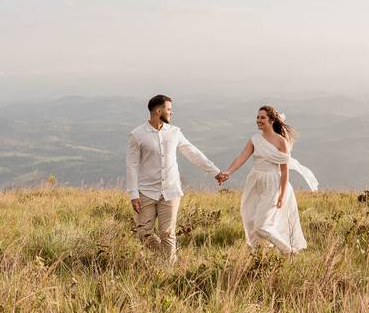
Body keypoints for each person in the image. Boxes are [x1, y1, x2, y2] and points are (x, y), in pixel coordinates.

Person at [126, 94, 225, 264]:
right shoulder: (137, 135)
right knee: (144, 233)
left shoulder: (175, 132)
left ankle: (169, 269)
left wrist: (215, 171)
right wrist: (134, 194)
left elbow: (192, 153)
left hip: (171, 191)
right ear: (158, 111)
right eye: (169, 109)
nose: (172, 113)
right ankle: (167, 258)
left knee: (167, 233)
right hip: (146, 192)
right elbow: (132, 165)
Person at [219, 106, 318, 255]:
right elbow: (241, 157)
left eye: (262, 117)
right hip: (255, 182)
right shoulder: (254, 139)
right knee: (251, 220)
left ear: (271, 120)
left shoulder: (281, 142)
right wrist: (228, 172)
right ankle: (262, 255)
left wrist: (282, 195)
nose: (259, 120)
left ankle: (288, 251)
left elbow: (284, 171)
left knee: (261, 225)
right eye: (258, 117)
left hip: (273, 183)